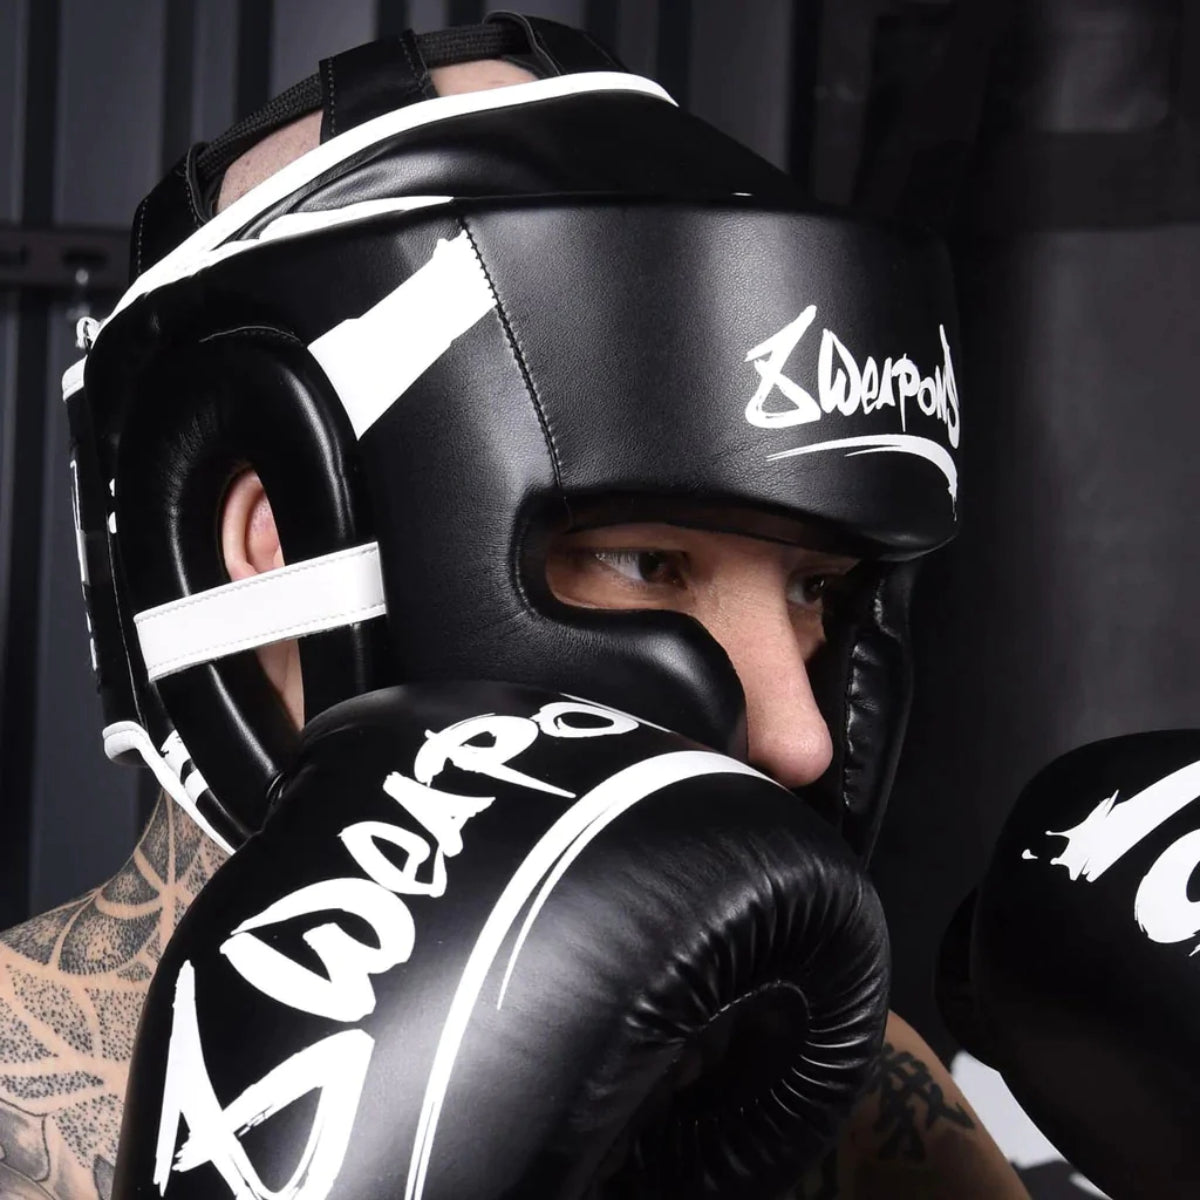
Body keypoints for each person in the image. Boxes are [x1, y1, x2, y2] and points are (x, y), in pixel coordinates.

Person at [0, 28, 1028, 1200]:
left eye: (815, 591)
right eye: (646, 561)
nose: (799, 737)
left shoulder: (852, 1095)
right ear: (276, 543)